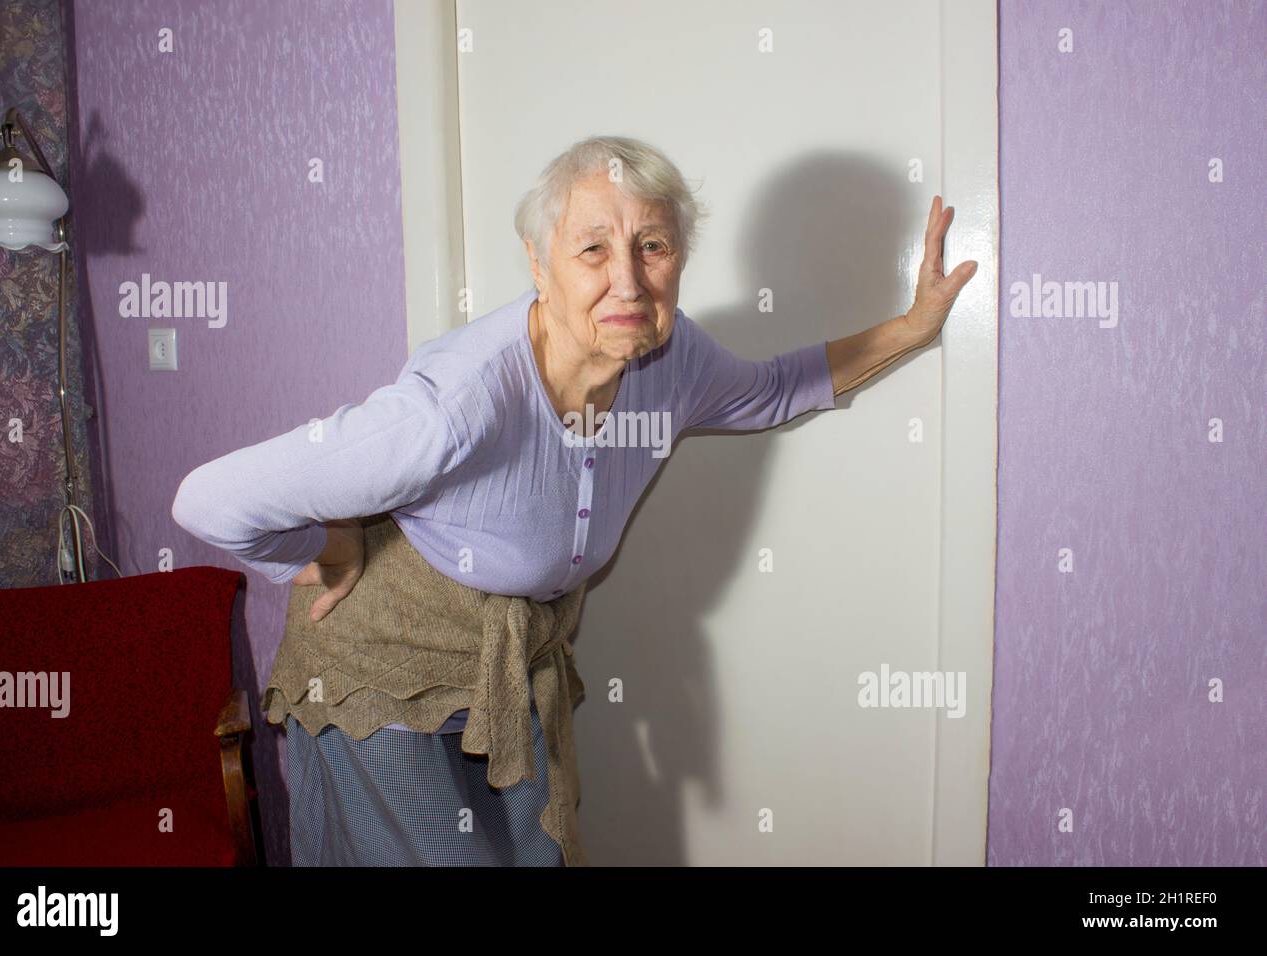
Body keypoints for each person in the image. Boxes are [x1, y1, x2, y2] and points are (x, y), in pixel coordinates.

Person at [171, 134, 977, 866]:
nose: (626, 278)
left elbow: (772, 389)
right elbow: (209, 499)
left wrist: (911, 329)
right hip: (379, 677)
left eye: (652, 246)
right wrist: (324, 545)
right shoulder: (452, 407)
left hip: (507, 666)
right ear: (538, 261)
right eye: (593, 247)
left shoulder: (671, 358)